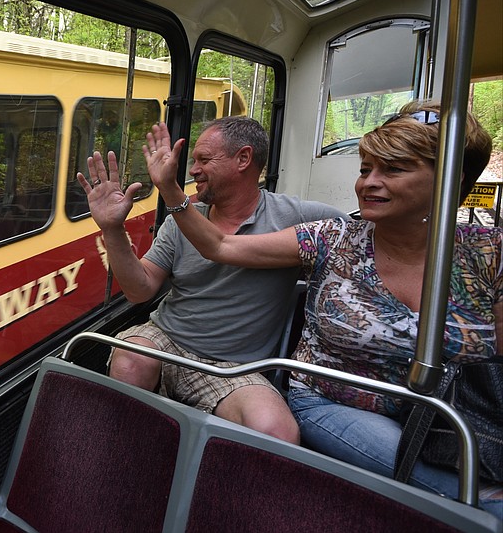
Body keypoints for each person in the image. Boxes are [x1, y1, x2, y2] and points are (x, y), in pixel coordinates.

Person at [140, 101, 502, 517]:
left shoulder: (488, 253)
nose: (369, 183)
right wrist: (170, 191)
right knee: (481, 501)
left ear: (450, 181)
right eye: (366, 170)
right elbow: (220, 246)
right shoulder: (333, 238)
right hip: (337, 402)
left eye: (394, 170)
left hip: (451, 412)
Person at [77, 116, 344, 444]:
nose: (192, 170)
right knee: (131, 360)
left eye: (204, 160)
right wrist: (112, 229)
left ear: (243, 159)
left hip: (231, 367)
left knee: (276, 430)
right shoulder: (182, 222)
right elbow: (139, 290)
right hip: (167, 340)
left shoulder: (296, 217)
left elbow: (360, 235)